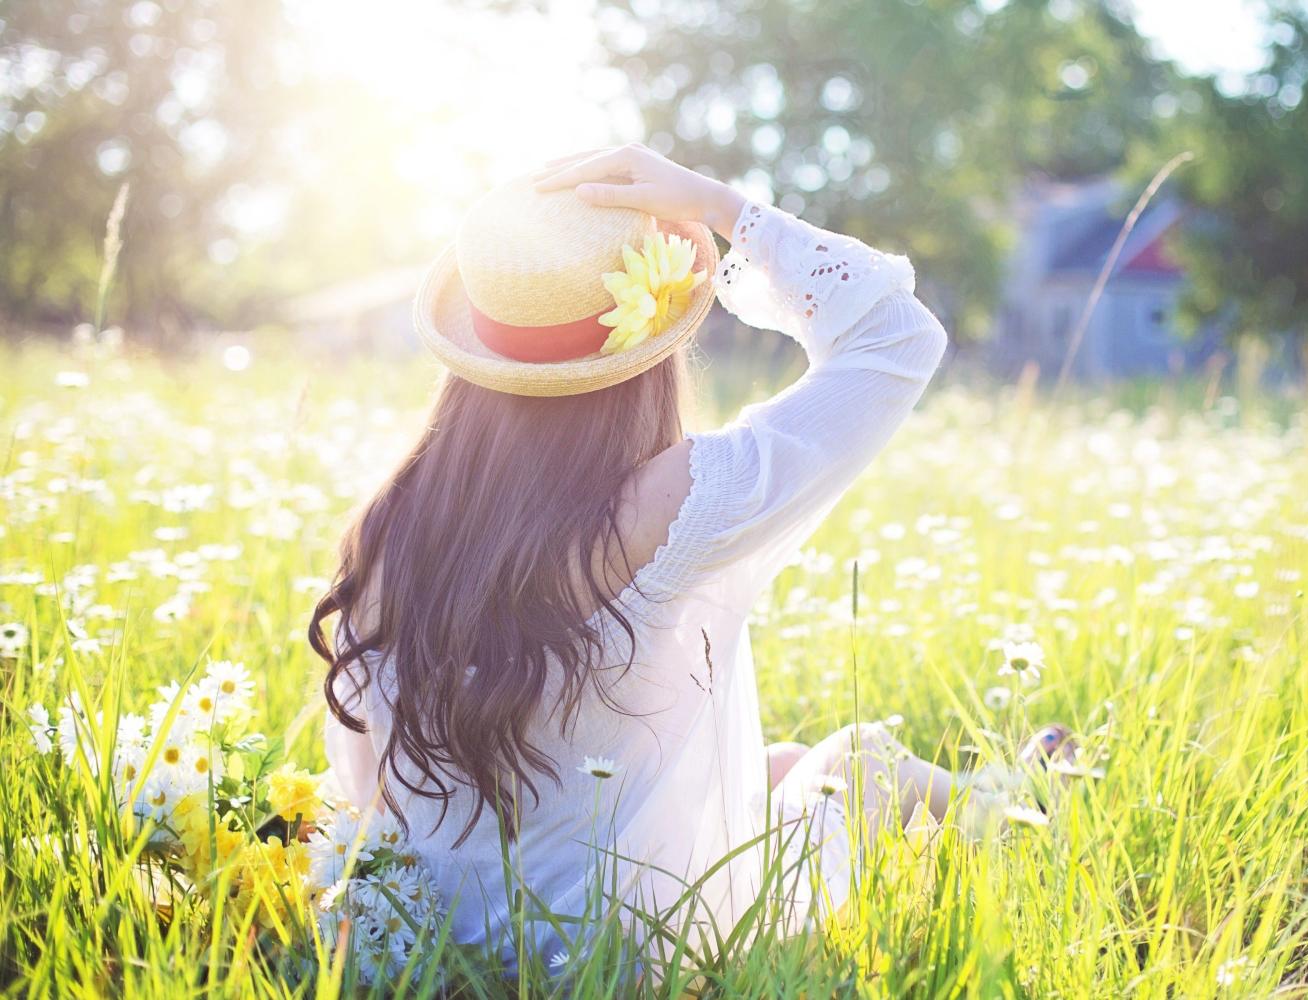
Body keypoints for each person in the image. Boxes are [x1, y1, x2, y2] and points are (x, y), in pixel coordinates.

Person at [310, 145, 1069, 974]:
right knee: (860, 761)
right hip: (637, 952)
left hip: (443, 937)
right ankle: (1018, 807)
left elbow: (364, 779)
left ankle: (1008, 793)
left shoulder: (391, 521)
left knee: (779, 767)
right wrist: (722, 207)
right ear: (646, 354)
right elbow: (898, 337)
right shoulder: (665, 504)